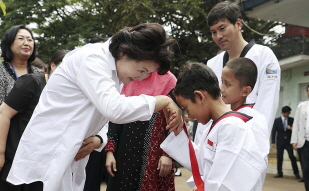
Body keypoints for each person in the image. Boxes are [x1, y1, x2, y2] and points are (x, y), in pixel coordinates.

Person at [6, 23, 183, 191]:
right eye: (142, 70)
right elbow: (114, 109)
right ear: (123, 52)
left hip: (70, 155)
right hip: (48, 156)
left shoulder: (114, 71)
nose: (141, 78)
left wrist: (99, 138)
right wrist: (164, 101)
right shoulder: (93, 59)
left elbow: (101, 114)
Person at [161, 62, 266, 191]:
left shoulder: (232, 127)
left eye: (187, 108)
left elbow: (225, 183)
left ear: (199, 96)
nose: (189, 115)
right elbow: (203, 164)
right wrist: (178, 132)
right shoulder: (217, 126)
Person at [206, 1, 280, 134]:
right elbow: (207, 106)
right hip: (217, 141)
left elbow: (267, 105)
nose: (218, 36)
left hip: (249, 140)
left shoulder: (264, 56)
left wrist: (255, 142)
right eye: (213, 32)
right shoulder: (212, 64)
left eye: (222, 28)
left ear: (238, 24)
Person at [0, 49, 68, 191]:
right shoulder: (32, 82)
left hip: (45, 167)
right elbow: (3, 114)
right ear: (53, 65)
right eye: (64, 68)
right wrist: (0, 153)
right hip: (16, 162)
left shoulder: (67, 94)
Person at [105, 71, 176, 191]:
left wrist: (168, 155)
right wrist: (109, 152)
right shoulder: (129, 77)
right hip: (125, 154)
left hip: (156, 157)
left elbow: (176, 120)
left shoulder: (169, 81)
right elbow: (115, 120)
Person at [220, 57, 270, 190]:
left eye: (228, 84)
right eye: (222, 82)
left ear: (245, 91)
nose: (222, 88)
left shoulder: (254, 119)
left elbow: (256, 163)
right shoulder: (224, 116)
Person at [83, 36, 108, 191]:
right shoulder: (81, 75)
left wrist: (99, 139)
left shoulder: (110, 80)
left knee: (91, 184)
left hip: (95, 145)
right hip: (74, 144)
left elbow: (109, 118)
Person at [0, 24, 43, 104]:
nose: (26, 43)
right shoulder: (1, 71)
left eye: (29, 40)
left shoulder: (40, 74)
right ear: (9, 43)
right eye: (20, 39)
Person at [272, 106, 301, 180]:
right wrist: (273, 142)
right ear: (283, 113)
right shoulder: (277, 120)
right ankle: (279, 172)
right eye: (287, 113)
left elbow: (296, 130)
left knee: (292, 157)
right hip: (280, 142)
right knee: (280, 157)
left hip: (289, 142)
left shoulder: (292, 120)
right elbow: (274, 131)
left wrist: (290, 128)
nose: (288, 114)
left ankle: (296, 173)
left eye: (289, 113)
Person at [291, 85, 309, 190]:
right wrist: (294, 140)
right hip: (304, 142)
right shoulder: (301, 106)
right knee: (306, 169)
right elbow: (296, 123)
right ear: (307, 92)